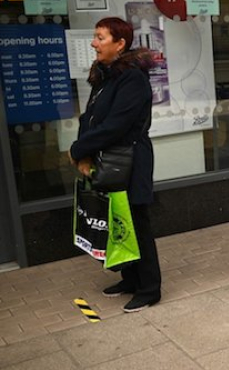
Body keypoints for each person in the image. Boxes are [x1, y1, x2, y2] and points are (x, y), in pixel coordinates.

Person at [68, 17, 162, 312]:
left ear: (120, 44)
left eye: (100, 37)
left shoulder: (132, 78)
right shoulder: (104, 75)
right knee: (117, 221)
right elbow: (90, 119)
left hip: (129, 160)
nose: (94, 43)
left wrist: (78, 149)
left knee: (136, 222)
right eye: (95, 37)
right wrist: (83, 153)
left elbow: (116, 125)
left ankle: (149, 289)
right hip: (108, 159)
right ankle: (130, 278)